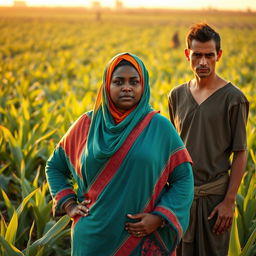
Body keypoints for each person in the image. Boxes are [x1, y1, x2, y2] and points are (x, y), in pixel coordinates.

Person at [46, 52, 194, 256]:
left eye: (134, 82)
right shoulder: (87, 125)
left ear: (144, 86)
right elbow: (54, 166)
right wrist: (69, 204)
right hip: (92, 240)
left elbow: (184, 178)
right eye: (118, 82)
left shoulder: (159, 127)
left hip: (140, 239)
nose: (127, 87)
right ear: (107, 86)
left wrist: (159, 218)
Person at [168, 23, 249, 256]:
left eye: (209, 55)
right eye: (197, 55)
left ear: (218, 55)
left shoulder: (234, 99)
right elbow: (174, 149)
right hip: (181, 198)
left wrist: (229, 201)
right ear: (187, 55)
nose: (203, 62)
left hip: (215, 201)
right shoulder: (176, 95)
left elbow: (241, 151)